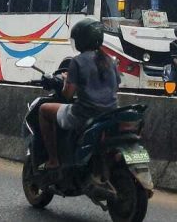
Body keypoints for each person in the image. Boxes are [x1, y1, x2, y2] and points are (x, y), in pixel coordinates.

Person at [39, 18, 120, 169]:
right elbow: (115, 87)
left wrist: (66, 81)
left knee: (44, 110)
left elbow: (67, 95)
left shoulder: (78, 61)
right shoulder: (110, 60)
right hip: (110, 113)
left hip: (83, 114)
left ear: (81, 41)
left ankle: (53, 160)